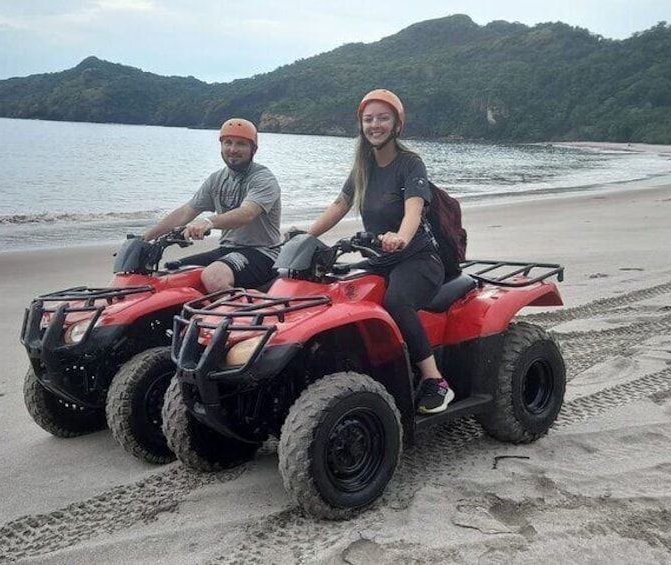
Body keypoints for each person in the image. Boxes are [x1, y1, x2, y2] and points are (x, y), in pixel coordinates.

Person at [295, 89, 454, 414]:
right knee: (341, 293)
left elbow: (414, 210)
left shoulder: (410, 163)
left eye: (383, 118)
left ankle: (435, 380)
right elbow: (340, 205)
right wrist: (303, 235)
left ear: (397, 124)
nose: (375, 125)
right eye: (369, 119)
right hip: (381, 259)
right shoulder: (363, 167)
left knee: (397, 301)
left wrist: (401, 237)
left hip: (418, 259)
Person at [144, 118, 281, 293]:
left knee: (214, 276)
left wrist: (209, 222)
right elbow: (185, 212)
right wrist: (145, 240)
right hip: (227, 250)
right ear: (221, 145)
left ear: (253, 149)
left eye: (241, 144)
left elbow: (247, 213)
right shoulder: (217, 179)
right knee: (170, 274)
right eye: (228, 143)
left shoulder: (262, 178)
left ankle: (236, 319)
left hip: (263, 254)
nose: (233, 149)